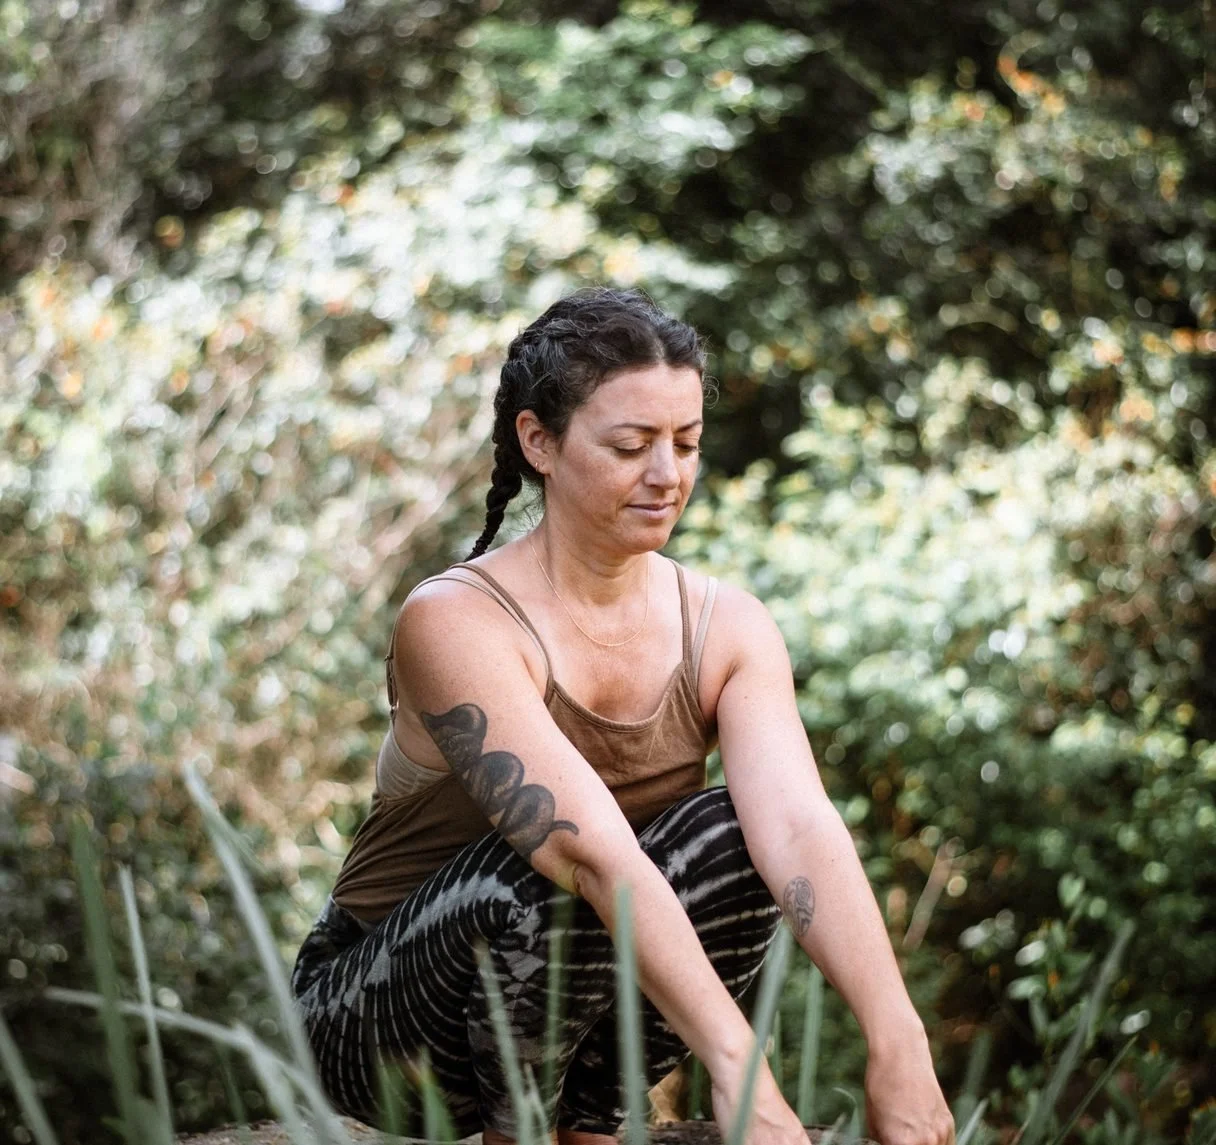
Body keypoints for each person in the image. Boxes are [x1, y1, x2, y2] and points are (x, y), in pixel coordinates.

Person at [291, 286, 955, 1145]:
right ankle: (522, 1131)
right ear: (540, 441)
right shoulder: (454, 619)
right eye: (632, 445)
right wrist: (739, 1069)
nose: (667, 474)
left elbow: (797, 826)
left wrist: (896, 1038)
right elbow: (589, 854)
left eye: (685, 443)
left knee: (736, 828)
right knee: (548, 862)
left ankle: (590, 1117)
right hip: (375, 1018)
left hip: (571, 977)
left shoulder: (728, 625)